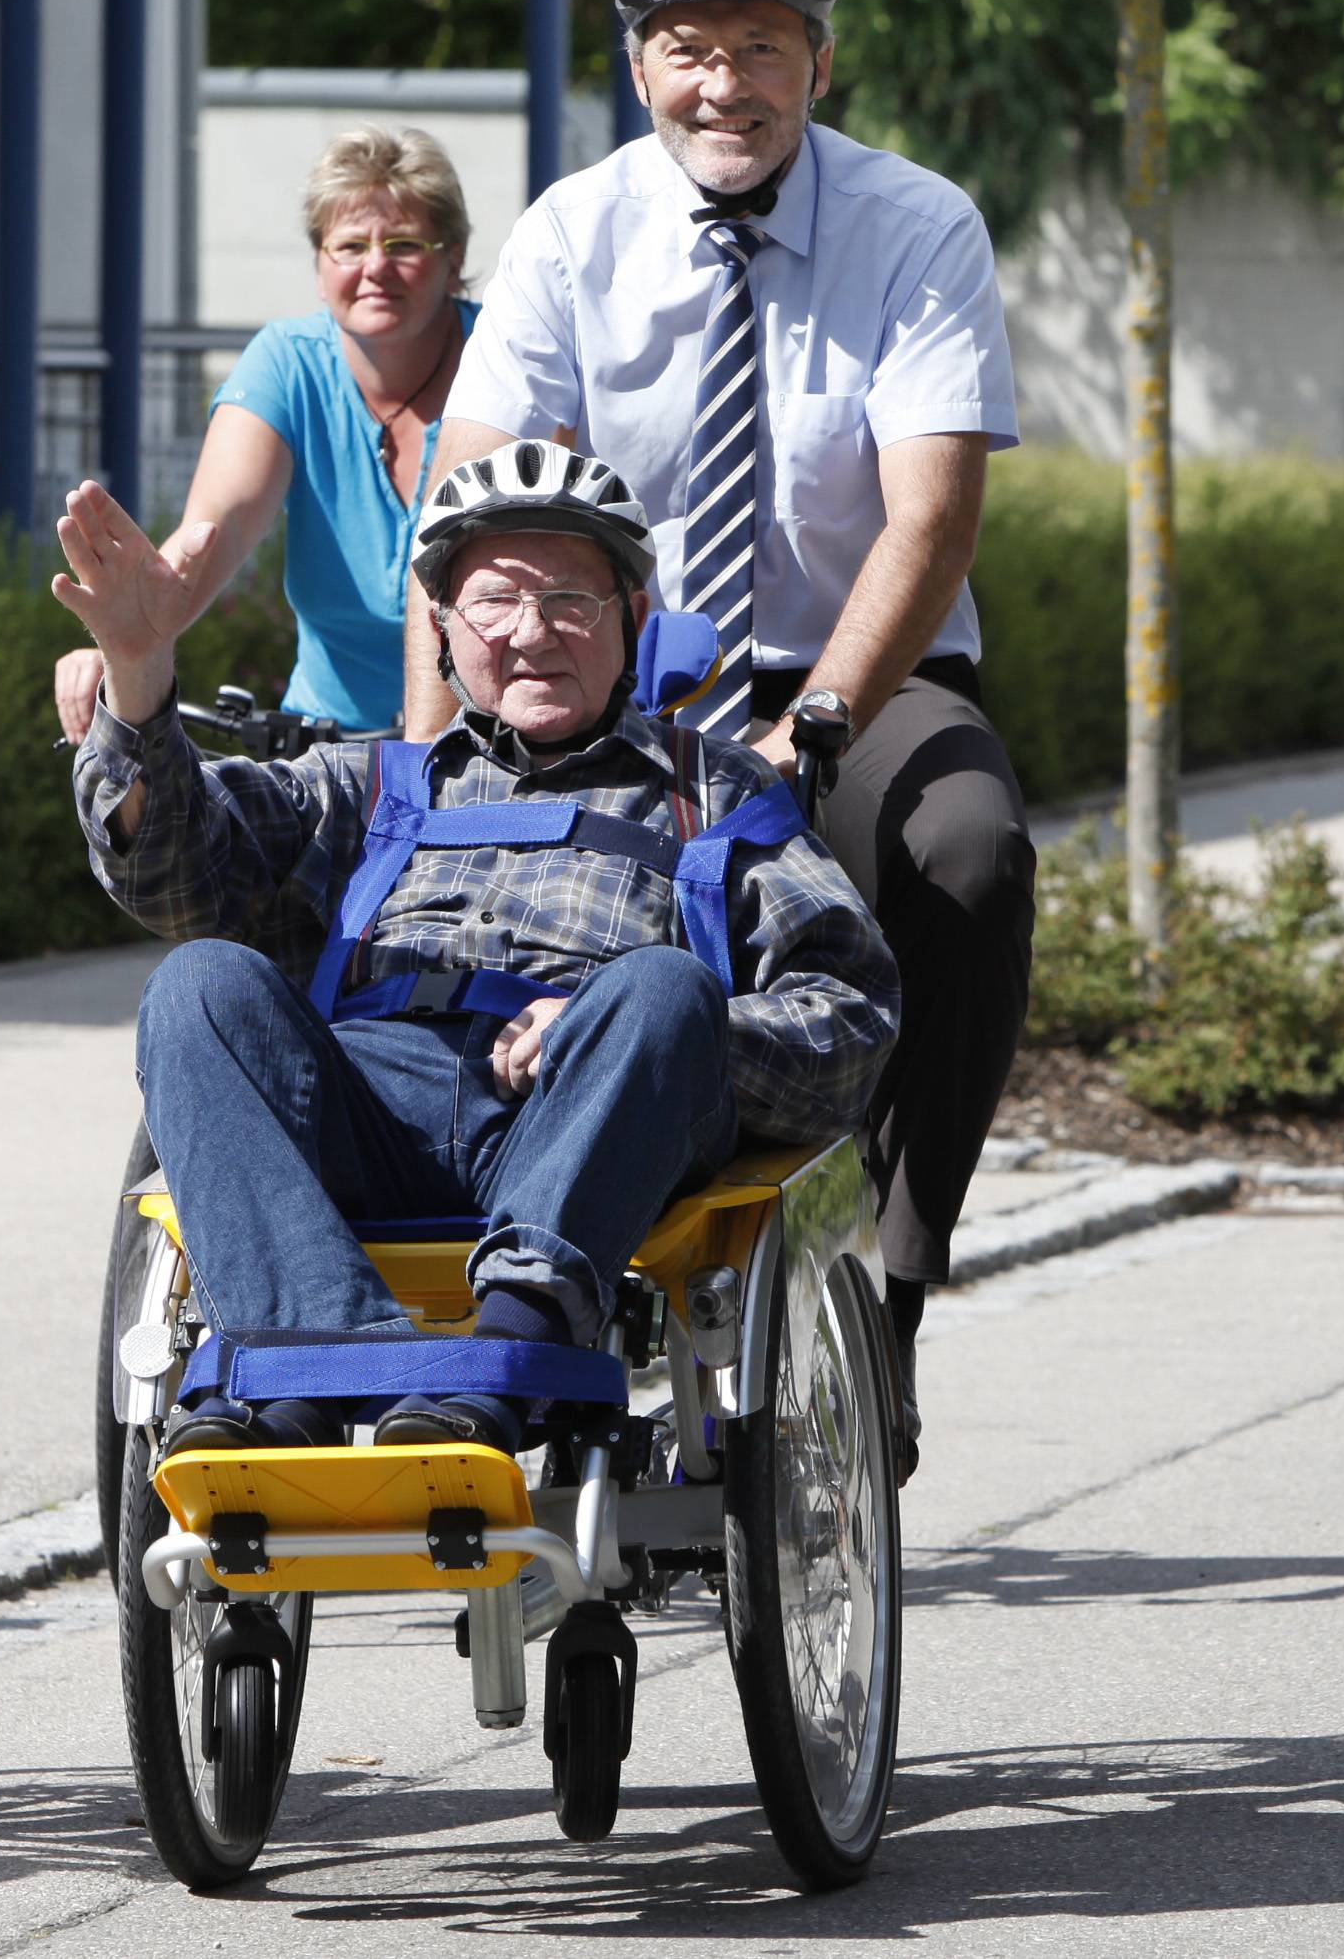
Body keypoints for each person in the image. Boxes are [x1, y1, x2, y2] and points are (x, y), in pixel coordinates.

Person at [416, 0, 1033, 1475]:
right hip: (616, 679)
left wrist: (816, 716)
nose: (726, 84)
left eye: (762, 46)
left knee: (967, 851)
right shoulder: (573, 231)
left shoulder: (917, 224)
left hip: (857, 664)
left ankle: (890, 1289)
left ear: (819, 65)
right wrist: (422, 773)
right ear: (640, 68)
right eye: (689, 48)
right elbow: (470, 521)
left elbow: (933, 514)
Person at [57, 440, 898, 1455]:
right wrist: (139, 675)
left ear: (633, 623)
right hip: (367, 1112)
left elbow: (850, 1012)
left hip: (582, 1118)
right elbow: (173, 872)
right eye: (495, 601)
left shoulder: (714, 792)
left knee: (663, 988)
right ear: (445, 632)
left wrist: (639, 1024)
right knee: (196, 983)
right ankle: (306, 1359)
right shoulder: (364, 784)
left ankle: (508, 1351)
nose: (532, 632)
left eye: (571, 602)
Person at [54, 125, 480, 742]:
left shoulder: (504, 358)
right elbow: (210, 531)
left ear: (454, 258)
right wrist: (128, 636)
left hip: (488, 746)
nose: (376, 266)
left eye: (405, 243)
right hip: (329, 748)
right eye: (350, 246)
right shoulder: (287, 362)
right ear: (318, 264)